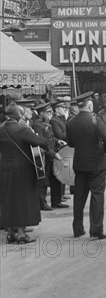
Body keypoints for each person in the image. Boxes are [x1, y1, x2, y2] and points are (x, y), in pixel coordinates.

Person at [66, 91, 106, 239]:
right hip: (96, 163)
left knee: (79, 197)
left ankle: (77, 229)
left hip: (80, 163)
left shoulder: (70, 122)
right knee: (97, 196)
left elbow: (70, 143)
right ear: (90, 105)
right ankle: (96, 230)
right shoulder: (95, 121)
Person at [0, 102, 49, 244]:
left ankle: (10, 233)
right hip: (22, 171)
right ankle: (21, 234)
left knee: (8, 200)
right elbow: (41, 142)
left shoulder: (1, 129)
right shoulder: (22, 130)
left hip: (5, 170)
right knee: (22, 200)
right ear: (18, 115)